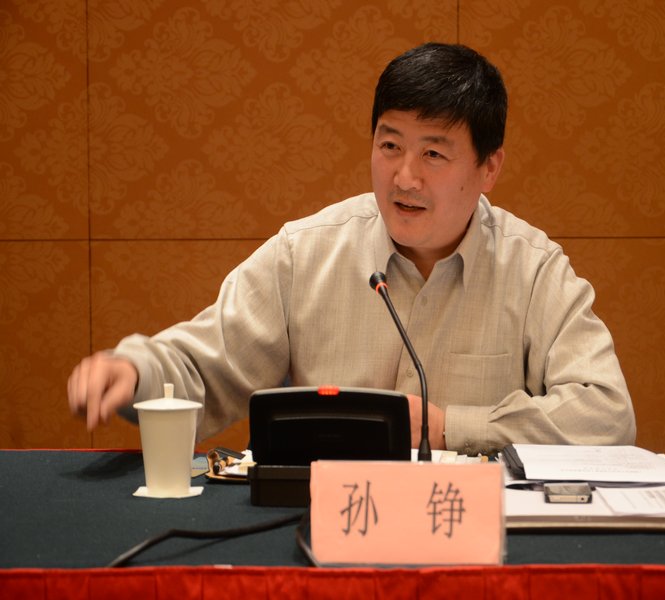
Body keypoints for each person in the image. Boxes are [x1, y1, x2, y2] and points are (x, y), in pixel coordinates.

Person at [67, 43, 636, 455]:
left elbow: (606, 415)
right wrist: (133, 370)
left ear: (489, 168)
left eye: (433, 154)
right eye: (390, 146)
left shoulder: (533, 270)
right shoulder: (306, 254)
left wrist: (450, 429)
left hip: (472, 537)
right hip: (323, 529)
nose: (405, 177)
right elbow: (204, 366)